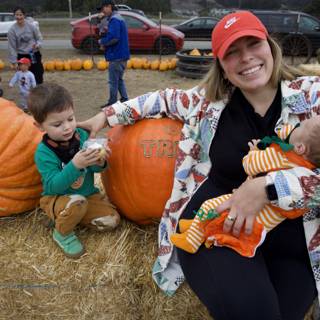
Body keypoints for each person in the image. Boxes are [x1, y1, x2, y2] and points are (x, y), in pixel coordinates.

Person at [78, 10, 320, 320]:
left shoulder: (312, 98)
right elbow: (160, 99)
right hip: (215, 227)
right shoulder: (207, 104)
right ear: (220, 62)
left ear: (270, 45)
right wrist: (103, 117)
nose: (245, 58)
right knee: (255, 312)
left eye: (253, 44)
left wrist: (269, 188)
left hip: (293, 238)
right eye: (232, 51)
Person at [171, 117, 320, 257]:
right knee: (215, 213)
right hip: (266, 222)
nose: (296, 124)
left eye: (301, 125)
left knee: (209, 206)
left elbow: (250, 166)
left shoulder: (281, 157)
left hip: (251, 214)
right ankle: (196, 227)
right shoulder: (305, 168)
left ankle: (191, 241)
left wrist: (254, 152)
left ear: (300, 148)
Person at [28, 83, 120, 258]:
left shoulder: (81, 136)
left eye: (70, 119)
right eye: (57, 124)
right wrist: (75, 165)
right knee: (76, 202)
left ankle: (69, 217)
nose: (67, 127)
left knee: (112, 220)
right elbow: (53, 186)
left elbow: (94, 168)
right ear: (40, 126)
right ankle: (61, 233)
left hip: (87, 196)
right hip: (56, 197)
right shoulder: (44, 153)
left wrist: (99, 161)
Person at [96, 0, 130, 108]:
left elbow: (114, 37)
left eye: (104, 8)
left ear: (109, 7)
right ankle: (124, 99)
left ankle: (112, 103)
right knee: (119, 79)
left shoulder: (115, 20)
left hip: (116, 55)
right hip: (122, 55)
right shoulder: (116, 18)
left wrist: (102, 42)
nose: (103, 11)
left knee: (112, 82)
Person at [8, 6, 44, 84]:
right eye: (17, 15)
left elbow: (39, 38)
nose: (19, 17)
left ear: (24, 15)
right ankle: (27, 92)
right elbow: (12, 47)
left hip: (33, 54)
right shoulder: (12, 30)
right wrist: (14, 61)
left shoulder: (31, 26)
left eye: (20, 15)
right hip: (22, 56)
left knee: (38, 73)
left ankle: (38, 89)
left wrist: (37, 45)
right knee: (24, 77)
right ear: (14, 16)